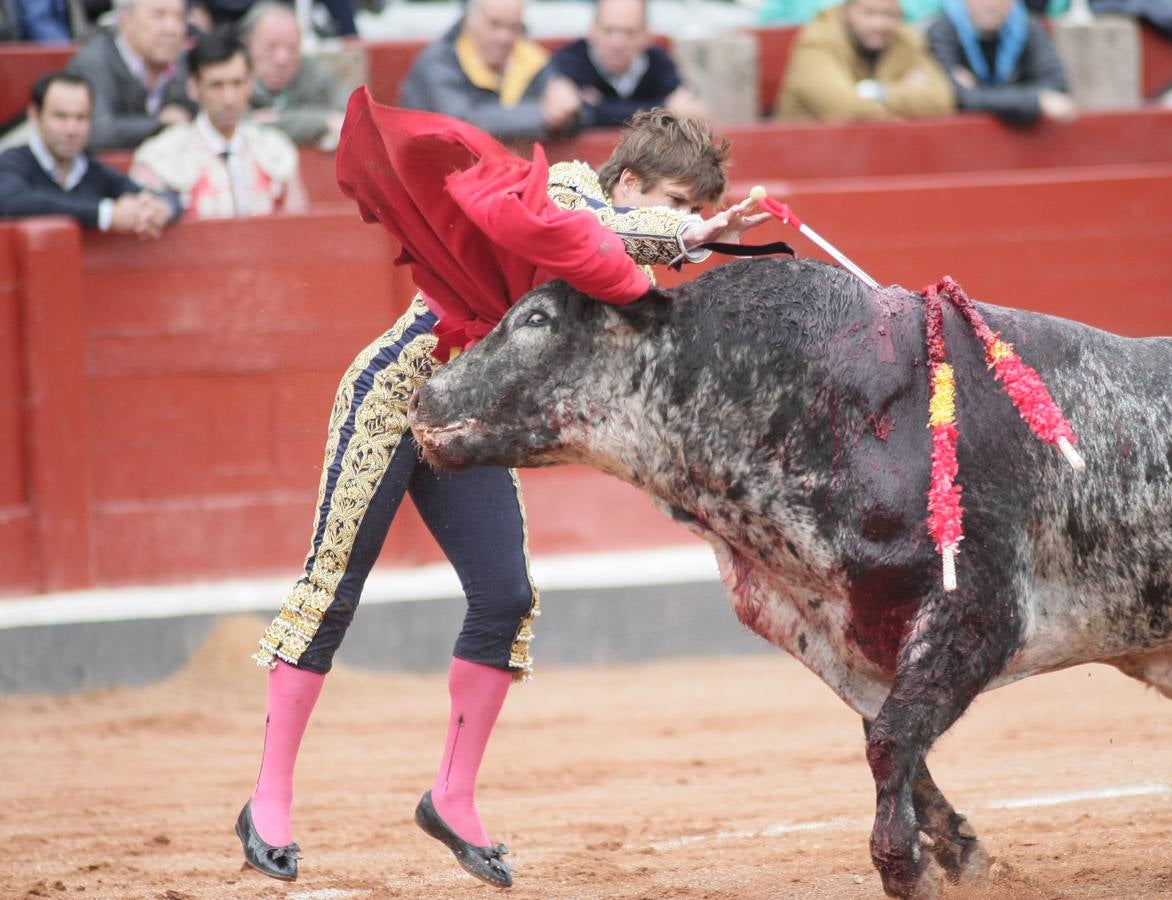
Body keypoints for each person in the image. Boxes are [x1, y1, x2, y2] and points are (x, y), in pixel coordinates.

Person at [234, 96, 770, 888]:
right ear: (628, 180)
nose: (688, 216)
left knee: (506, 596)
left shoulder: (628, 261)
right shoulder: (565, 192)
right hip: (396, 396)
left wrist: (689, 242)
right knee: (333, 591)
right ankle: (267, 797)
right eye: (676, 199)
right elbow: (580, 234)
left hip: (470, 421)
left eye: (697, 208)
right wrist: (691, 236)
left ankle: (451, 796)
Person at [130, 27, 304, 218]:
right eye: (216, 85)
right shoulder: (160, 156)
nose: (228, 98)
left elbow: (296, 226)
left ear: (250, 84)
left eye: (237, 83)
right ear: (193, 87)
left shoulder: (275, 149)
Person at [0, 70, 180, 235]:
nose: (71, 129)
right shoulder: (11, 163)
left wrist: (160, 208)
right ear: (35, 115)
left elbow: (163, 197)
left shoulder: (93, 170)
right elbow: (12, 202)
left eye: (81, 117)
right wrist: (106, 214)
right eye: (60, 116)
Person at [399, 0, 583, 141]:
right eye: (494, 24)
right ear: (468, 21)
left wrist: (569, 110)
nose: (503, 37)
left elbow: (582, 116)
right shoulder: (438, 61)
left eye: (513, 27)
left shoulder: (531, 59)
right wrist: (541, 114)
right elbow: (462, 123)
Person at [775, 0, 955, 121]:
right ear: (846, 11)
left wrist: (872, 91)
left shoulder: (904, 38)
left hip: (869, 156)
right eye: (869, 14)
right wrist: (904, 101)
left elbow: (942, 100)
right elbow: (846, 110)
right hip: (805, 156)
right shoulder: (817, 41)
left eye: (890, 15)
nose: (879, 24)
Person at [550, 0, 705, 128]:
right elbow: (568, 116)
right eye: (609, 30)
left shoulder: (659, 63)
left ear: (646, 37)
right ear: (592, 31)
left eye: (629, 32)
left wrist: (600, 106)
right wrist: (664, 110)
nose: (618, 43)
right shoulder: (568, 62)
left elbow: (689, 109)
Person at [65, 0, 193, 150]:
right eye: (159, 15)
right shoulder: (93, 63)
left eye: (179, 17)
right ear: (125, 20)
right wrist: (160, 124)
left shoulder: (186, 61)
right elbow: (97, 132)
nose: (171, 29)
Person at [927, 0, 1075, 126]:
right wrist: (1035, 100)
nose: (989, 5)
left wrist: (980, 95)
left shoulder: (1027, 26)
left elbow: (1056, 85)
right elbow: (955, 96)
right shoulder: (942, 31)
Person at [241, 2, 349, 150]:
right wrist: (323, 121)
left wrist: (278, 119)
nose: (282, 59)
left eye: (292, 49)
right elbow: (241, 124)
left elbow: (347, 117)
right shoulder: (234, 77)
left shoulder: (312, 70)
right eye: (270, 47)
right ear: (249, 44)